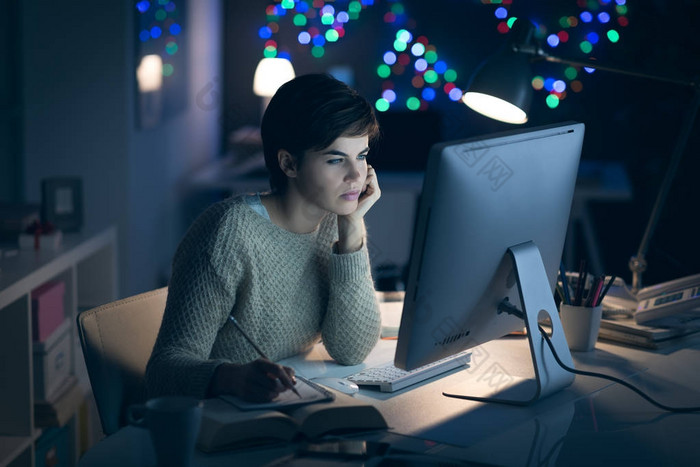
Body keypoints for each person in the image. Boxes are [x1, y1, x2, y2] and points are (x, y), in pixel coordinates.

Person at [145, 73, 382, 403]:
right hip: (219, 422)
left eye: (361, 155)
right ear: (288, 163)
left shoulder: (336, 221)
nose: (357, 176)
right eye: (335, 159)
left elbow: (351, 350)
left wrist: (352, 228)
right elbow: (162, 373)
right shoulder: (229, 231)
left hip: (287, 408)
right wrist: (230, 377)